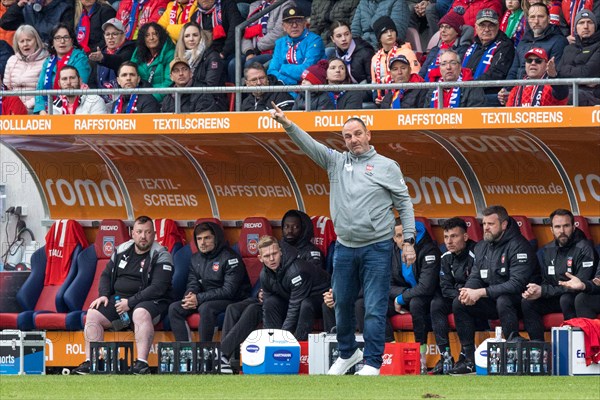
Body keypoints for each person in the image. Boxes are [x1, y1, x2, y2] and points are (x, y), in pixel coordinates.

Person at [269, 102, 416, 376]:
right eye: (347, 136)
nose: (353, 140)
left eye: (357, 134)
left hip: (377, 247)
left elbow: (404, 204)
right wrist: (287, 124)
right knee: (341, 303)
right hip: (346, 248)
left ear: (368, 134)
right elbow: (310, 145)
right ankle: (348, 353)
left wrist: (408, 240)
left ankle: (372, 362)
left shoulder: (386, 166)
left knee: (373, 307)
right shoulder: (336, 161)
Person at [72, 216, 174, 375]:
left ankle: (142, 363)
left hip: (150, 302)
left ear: (154, 234)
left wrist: (131, 302)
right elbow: (105, 275)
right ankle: (92, 361)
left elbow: (158, 288)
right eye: (139, 232)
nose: (143, 236)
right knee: (92, 314)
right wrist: (104, 295)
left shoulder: (161, 254)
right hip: (120, 301)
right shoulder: (121, 250)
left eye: (147, 232)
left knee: (140, 313)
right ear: (132, 233)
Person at [449, 205, 535, 375]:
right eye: (484, 224)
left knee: (504, 299)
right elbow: (475, 276)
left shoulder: (519, 246)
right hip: (492, 301)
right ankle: (468, 359)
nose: (486, 227)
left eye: (491, 224)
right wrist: (468, 291)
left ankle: (513, 352)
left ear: (504, 225)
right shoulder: (481, 247)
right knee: (459, 303)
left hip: (520, 301)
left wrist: (481, 292)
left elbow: (517, 284)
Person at [168, 222, 251, 343]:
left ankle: (205, 351)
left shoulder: (231, 258)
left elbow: (229, 291)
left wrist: (199, 298)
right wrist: (190, 297)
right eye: (199, 239)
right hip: (204, 298)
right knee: (174, 308)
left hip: (233, 299)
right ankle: (186, 352)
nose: (202, 242)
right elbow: (193, 283)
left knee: (206, 308)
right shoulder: (195, 258)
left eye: (207, 238)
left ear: (216, 238)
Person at [521, 209, 596, 341]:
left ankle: (574, 345)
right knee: (528, 302)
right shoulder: (547, 250)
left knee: (566, 298)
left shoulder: (585, 248)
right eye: (557, 227)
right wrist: (536, 290)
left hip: (576, 296)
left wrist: (544, 291)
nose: (562, 231)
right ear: (551, 229)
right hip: (555, 295)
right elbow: (545, 281)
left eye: (566, 226)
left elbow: (580, 285)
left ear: (573, 227)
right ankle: (538, 348)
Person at [259, 235, 331, 340]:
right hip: (296, 298)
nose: (271, 259)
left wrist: (283, 337)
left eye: (274, 254)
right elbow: (267, 305)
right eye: (266, 256)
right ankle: (270, 342)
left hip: (322, 297)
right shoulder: (264, 275)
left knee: (306, 304)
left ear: (280, 252)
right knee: (270, 302)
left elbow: (295, 306)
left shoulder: (296, 270)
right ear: (260, 258)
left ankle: (299, 344)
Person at [430, 217, 477, 374]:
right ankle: (445, 357)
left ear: (465, 237)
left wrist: (463, 293)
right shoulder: (445, 257)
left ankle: (468, 358)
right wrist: (460, 292)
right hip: (456, 296)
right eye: (446, 237)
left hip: (478, 299)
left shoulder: (476, 253)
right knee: (436, 304)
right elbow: (445, 288)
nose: (449, 241)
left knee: (459, 303)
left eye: (454, 236)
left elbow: (478, 282)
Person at [499, 2, 568, 103]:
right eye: (532, 17)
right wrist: (506, 90)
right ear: (528, 20)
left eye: (540, 16)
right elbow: (513, 71)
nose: (536, 21)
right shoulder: (523, 42)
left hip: (544, 95)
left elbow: (555, 74)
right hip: (519, 90)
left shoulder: (558, 41)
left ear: (549, 19)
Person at [389, 219, 440, 352]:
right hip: (404, 296)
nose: (402, 240)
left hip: (428, 297)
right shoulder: (391, 251)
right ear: (394, 238)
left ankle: (421, 354)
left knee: (416, 303)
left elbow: (426, 287)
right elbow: (386, 285)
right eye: (398, 236)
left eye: (405, 235)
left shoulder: (428, 249)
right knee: (372, 304)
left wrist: (401, 298)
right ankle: (391, 349)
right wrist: (404, 293)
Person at [462, 9, 515, 106]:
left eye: (491, 25)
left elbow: (496, 73)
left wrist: (470, 87)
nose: (486, 29)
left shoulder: (505, 45)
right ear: (476, 27)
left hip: (490, 94)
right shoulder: (473, 46)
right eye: (482, 25)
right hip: (470, 92)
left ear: (498, 26)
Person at [34, 23, 91, 114]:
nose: (62, 41)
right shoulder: (48, 61)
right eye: (58, 38)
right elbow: (40, 88)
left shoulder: (80, 58)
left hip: (73, 108)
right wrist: (42, 110)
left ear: (72, 40)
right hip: (48, 109)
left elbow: (76, 86)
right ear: (52, 42)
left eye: (66, 37)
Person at [233, 0, 294, 80]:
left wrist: (257, 49)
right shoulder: (255, 5)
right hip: (253, 51)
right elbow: (246, 33)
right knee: (233, 64)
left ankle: (251, 92)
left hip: (272, 51)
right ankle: (237, 92)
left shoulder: (286, 4)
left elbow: (279, 33)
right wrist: (249, 51)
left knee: (251, 63)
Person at [174, 23, 227, 110]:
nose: (191, 39)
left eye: (195, 35)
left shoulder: (213, 57)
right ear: (182, 40)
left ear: (201, 37)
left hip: (210, 104)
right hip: (188, 101)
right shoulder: (181, 57)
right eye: (187, 36)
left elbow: (210, 88)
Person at [267, 6, 325, 86]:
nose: (294, 25)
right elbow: (272, 71)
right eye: (289, 22)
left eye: (298, 21)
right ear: (283, 26)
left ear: (305, 24)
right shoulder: (280, 43)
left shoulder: (314, 40)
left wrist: (283, 68)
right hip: (285, 88)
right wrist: (293, 83)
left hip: (309, 89)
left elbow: (306, 70)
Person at [370, 15, 421, 104]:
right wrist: (376, 98)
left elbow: (416, 77)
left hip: (405, 98)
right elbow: (374, 84)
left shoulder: (407, 52)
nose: (390, 34)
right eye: (385, 32)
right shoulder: (375, 58)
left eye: (392, 31)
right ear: (379, 37)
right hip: (382, 101)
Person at [557, 9, 600, 106]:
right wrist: (581, 76)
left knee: (572, 96)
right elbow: (559, 72)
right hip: (570, 91)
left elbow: (587, 73)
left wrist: (567, 70)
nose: (585, 26)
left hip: (592, 94)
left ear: (595, 27)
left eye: (589, 22)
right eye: (581, 23)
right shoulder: (568, 48)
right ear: (576, 27)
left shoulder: (598, 46)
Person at [502, 47, 568, 107]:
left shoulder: (552, 86)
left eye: (538, 61)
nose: (533, 63)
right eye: (529, 60)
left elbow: (562, 93)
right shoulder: (515, 89)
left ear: (546, 65)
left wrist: (554, 77)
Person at [419, 10, 473, 81]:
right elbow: (422, 72)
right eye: (441, 27)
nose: (443, 30)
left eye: (448, 27)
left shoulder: (463, 50)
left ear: (457, 31)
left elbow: (455, 71)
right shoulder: (435, 49)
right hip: (425, 87)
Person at [4, 24, 48, 111]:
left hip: (35, 109)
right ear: (17, 44)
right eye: (22, 41)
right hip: (14, 108)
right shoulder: (12, 60)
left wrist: (27, 105)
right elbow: (6, 88)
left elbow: (45, 89)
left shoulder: (46, 61)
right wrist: (16, 106)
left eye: (29, 40)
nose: (25, 44)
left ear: (36, 40)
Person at [130, 22, 175, 102]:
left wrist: (150, 99)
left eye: (155, 34)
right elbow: (130, 72)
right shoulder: (138, 54)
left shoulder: (170, 54)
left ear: (161, 36)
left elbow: (169, 82)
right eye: (147, 35)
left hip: (162, 101)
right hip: (140, 99)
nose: (151, 38)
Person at [88, 18, 136, 90]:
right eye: (107, 34)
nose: (110, 37)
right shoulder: (101, 53)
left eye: (114, 34)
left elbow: (119, 61)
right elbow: (92, 81)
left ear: (123, 35)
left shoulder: (130, 48)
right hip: (101, 97)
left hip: (121, 95)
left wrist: (103, 58)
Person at [0, 0, 73, 43]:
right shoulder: (28, 7)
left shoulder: (64, 8)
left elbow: (64, 36)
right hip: (30, 53)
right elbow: (5, 23)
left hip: (51, 53)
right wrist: (18, 5)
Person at [330, 20, 375, 84]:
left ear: (351, 34)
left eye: (347, 34)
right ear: (332, 39)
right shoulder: (334, 55)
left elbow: (372, 81)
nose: (343, 39)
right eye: (339, 36)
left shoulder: (366, 52)